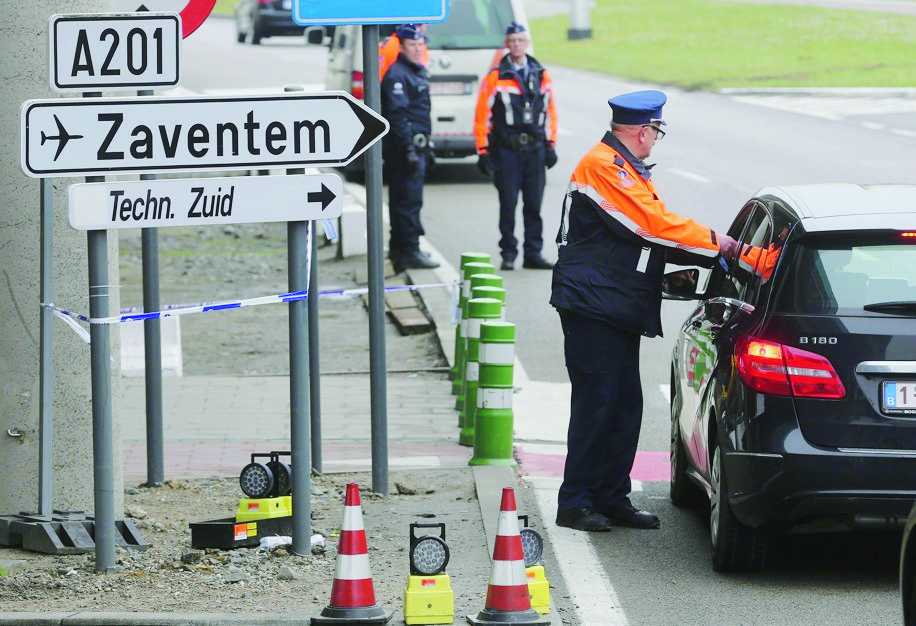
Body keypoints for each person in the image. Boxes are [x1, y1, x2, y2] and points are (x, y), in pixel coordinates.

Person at [549, 90, 739, 532]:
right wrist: (719, 245)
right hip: (593, 306)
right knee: (598, 405)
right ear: (641, 130)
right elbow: (651, 227)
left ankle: (611, 496)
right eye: (656, 131)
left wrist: (672, 273)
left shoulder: (623, 166)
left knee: (623, 406)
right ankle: (575, 501)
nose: (655, 139)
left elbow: (637, 237)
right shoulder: (603, 166)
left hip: (612, 303)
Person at [473, 21, 558, 271]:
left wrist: (551, 144)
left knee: (534, 204)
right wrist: (483, 150)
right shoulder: (496, 76)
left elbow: (551, 112)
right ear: (506, 45)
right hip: (507, 150)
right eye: (512, 41)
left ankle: (533, 253)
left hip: (535, 150)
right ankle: (508, 253)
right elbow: (481, 116)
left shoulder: (541, 74)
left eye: (521, 40)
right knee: (508, 203)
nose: (517, 45)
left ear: (527, 43)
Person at [380, 24, 439, 272]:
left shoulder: (414, 71)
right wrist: (408, 149)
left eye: (419, 44)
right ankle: (410, 251)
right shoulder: (398, 74)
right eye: (412, 45)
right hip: (404, 148)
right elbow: (398, 116)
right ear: (401, 47)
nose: (417, 49)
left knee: (407, 200)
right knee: (407, 202)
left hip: (416, 146)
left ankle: (399, 251)